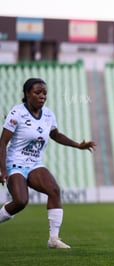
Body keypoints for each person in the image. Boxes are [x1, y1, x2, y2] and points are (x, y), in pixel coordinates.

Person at [0, 78, 96, 249]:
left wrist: (78, 145)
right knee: (21, 201)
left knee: (54, 190)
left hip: (34, 164)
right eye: (38, 92)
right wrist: (2, 170)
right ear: (27, 94)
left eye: (45, 93)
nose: (42, 96)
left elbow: (55, 135)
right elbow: (2, 143)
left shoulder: (49, 114)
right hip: (15, 164)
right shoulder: (17, 113)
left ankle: (53, 239)